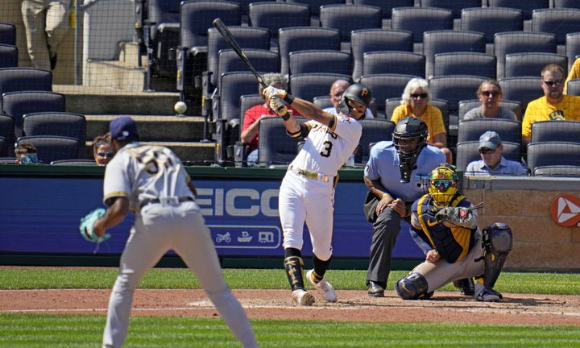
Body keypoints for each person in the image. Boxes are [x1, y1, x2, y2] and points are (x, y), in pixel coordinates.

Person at [91, 117, 258, 347]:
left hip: (153, 216)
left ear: (114, 141)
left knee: (125, 285)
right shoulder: (164, 152)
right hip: (188, 213)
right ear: (137, 135)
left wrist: (99, 225)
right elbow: (191, 190)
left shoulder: (118, 161)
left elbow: (118, 209)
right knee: (219, 291)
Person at [262, 83, 371, 306]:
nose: (358, 111)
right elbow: (297, 131)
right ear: (345, 101)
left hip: (321, 188)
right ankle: (298, 291)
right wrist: (283, 112)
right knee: (292, 237)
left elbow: (314, 113)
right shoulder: (327, 117)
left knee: (322, 249)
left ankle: (316, 278)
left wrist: (284, 96)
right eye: (356, 105)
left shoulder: (353, 128)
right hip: (293, 179)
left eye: (362, 109)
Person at [395, 164, 513, 302]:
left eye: (446, 183)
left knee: (500, 232)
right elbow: (415, 229)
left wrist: (457, 217)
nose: (441, 187)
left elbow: (472, 221)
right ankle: (460, 280)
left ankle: (484, 288)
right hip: (445, 261)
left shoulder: (464, 204)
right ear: (430, 184)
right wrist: (428, 250)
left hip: (472, 257)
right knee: (406, 289)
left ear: (455, 185)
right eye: (437, 183)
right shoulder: (419, 207)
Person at [363, 117, 446, 297]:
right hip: (388, 198)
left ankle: (464, 280)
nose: (404, 145)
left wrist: (411, 210)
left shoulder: (437, 157)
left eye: (410, 140)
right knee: (387, 222)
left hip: (422, 203)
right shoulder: (380, 152)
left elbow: (441, 191)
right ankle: (375, 281)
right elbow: (369, 177)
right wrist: (385, 196)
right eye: (401, 140)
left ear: (421, 141)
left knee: (444, 226)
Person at [241, 73, 301, 166]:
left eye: (279, 91)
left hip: (290, 151)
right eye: (272, 90)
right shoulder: (253, 112)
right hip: (261, 151)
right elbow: (245, 139)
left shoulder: (294, 111)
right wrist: (260, 122)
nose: (275, 94)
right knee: (256, 157)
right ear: (263, 92)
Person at [390, 78, 453, 164]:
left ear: (427, 97)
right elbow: (392, 139)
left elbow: (441, 144)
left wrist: (419, 146)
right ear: (408, 96)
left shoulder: (435, 112)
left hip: (427, 151)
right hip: (403, 151)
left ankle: (442, 177)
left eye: (423, 95)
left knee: (445, 152)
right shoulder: (400, 111)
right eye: (415, 95)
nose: (419, 99)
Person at [522, 64, 580, 147]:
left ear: (563, 82)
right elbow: (525, 136)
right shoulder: (533, 106)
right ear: (542, 83)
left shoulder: (577, 102)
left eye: (558, 82)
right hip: (544, 153)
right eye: (549, 83)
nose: (554, 86)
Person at [21, 0, 70, 70]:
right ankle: (44, 76)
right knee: (34, 43)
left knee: (57, 27)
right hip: (31, 2)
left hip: (58, 1)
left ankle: (51, 51)